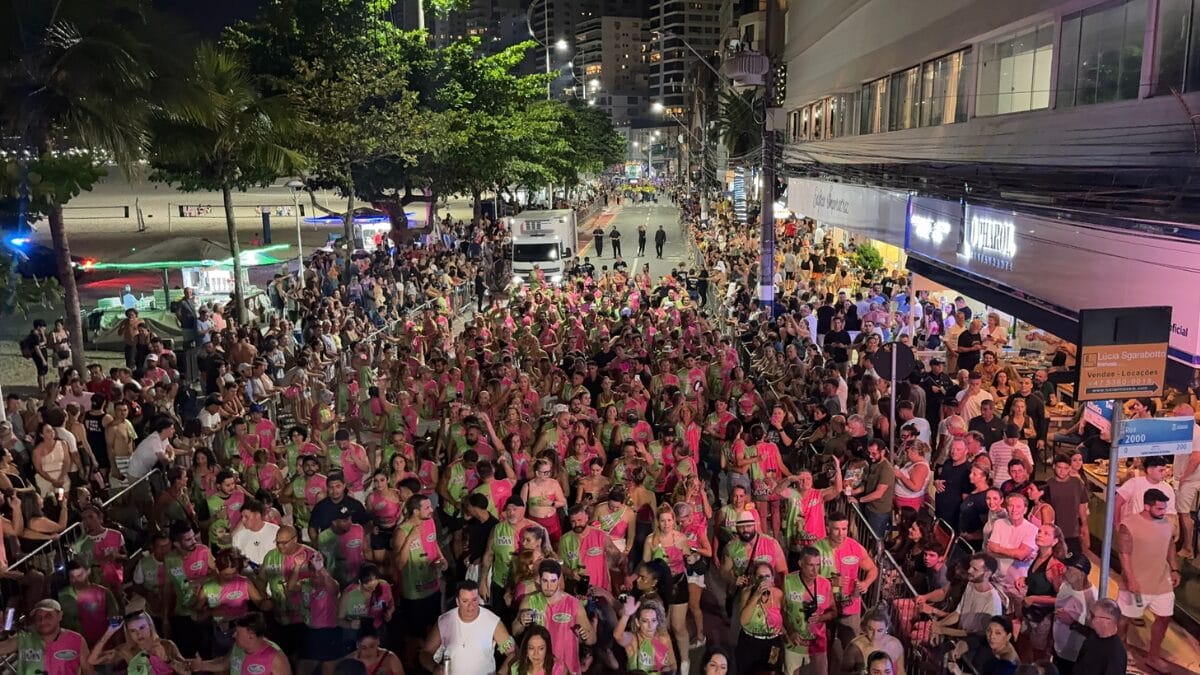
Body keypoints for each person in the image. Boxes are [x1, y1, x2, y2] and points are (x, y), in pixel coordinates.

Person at [1115, 487, 1179, 672]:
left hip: (1161, 581)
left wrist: (1174, 569)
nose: (1163, 512)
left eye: (1164, 508)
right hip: (1136, 582)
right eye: (1159, 509)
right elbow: (1124, 553)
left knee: (1164, 616)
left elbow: (1170, 546)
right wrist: (1131, 578)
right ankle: (1120, 653)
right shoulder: (1129, 525)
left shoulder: (1167, 523)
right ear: (1146, 506)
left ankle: (1153, 656)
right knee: (1124, 618)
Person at [422, 580, 515, 675]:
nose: (471, 606)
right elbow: (425, 653)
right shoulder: (445, 621)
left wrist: (500, 673)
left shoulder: (492, 622)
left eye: (474, 600)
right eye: (465, 601)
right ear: (457, 601)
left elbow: (512, 652)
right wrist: (434, 668)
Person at [0, 599, 90, 674]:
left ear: (60, 616)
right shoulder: (24, 638)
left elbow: (88, 671)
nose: (42, 621)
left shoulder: (76, 640)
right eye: (39, 617)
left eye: (48, 616)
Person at [190, 612, 291, 674]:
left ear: (250, 635)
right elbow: (225, 663)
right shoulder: (238, 646)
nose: (233, 635)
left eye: (238, 632)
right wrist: (201, 665)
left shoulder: (275, 657)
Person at [1051, 552, 1096, 675]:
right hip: (1058, 649)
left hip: (1074, 658)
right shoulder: (1066, 585)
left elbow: (1095, 634)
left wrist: (1072, 623)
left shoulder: (1092, 599)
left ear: (1081, 574)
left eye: (1068, 568)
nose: (1063, 571)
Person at [615, 596, 676, 675]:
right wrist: (626, 615)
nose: (650, 626)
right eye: (645, 621)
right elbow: (617, 636)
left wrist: (667, 670)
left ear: (657, 621)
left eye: (653, 620)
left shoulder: (664, 638)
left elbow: (673, 665)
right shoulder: (633, 640)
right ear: (638, 622)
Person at [1071, 599, 1126, 675]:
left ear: (1108, 621)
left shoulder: (1115, 655)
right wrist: (1073, 624)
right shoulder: (1096, 635)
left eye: (1092, 615)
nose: (1089, 618)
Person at [843, 610, 905, 675]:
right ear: (865, 627)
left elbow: (901, 672)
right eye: (871, 629)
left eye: (880, 630)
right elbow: (842, 672)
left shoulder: (895, 645)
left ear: (886, 628)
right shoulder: (855, 646)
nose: (875, 635)